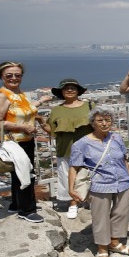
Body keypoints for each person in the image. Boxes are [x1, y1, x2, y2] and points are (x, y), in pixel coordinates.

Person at [68, 107, 129, 257]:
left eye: (108, 120)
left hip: (122, 181)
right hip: (100, 184)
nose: (105, 123)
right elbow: (74, 167)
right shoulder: (82, 144)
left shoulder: (116, 138)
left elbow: (124, 161)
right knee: (100, 217)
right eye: (100, 120)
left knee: (121, 213)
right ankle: (102, 249)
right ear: (93, 123)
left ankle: (114, 241)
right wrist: (71, 189)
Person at [0, 61, 52, 223]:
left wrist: (41, 102)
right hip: (13, 142)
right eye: (9, 75)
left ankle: (16, 204)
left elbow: (25, 110)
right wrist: (22, 127)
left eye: (17, 75)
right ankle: (27, 210)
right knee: (26, 175)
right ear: (1, 76)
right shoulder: (3, 95)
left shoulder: (18, 93)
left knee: (18, 174)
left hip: (22, 141)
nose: (14, 78)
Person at [40, 78, 94, 219]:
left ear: (78, 91)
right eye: (66, 88)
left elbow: (100, 124)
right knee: (68, 178)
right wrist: (40, 121)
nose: (69, 90)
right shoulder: (57, 110)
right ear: (61, 92)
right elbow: (51, 130)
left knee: (90, 175)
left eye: (73, 88)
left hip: (89, 148)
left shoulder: (89, 106)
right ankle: (73, 204)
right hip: (65, 148)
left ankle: (90, 199)